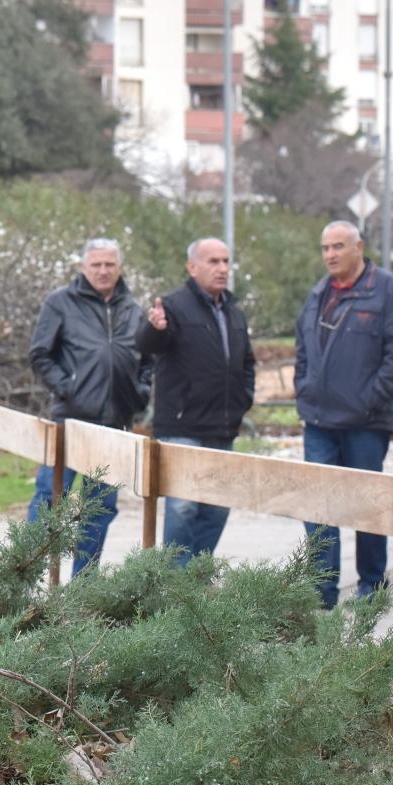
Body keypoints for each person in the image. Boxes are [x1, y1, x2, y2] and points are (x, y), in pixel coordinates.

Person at [294, 220, 393, 608]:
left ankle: (371, 586)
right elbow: (303, 347)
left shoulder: (386, 290)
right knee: (319, 506)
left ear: (359, 247)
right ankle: (322, 592)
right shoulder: (319, 293)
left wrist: (370, 399)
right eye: (325, 247)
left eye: (338, 246)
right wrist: (305, 388)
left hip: (366, 423)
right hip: (319, 422)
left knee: (368, 506)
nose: (330, 254)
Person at [27, 237, 150, 575]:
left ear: (120, 268)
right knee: (50, 499)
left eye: (110, 264)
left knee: (100, 509)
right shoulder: (61, 303)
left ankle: (84, 584)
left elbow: (148, 360)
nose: (103, 270)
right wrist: (68, 388)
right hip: (71, 421)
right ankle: (21, 575)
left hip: (114, 425)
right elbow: (40, 354)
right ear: (83, 267)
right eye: (96, 264)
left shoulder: (132, 309)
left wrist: (142, 391)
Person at [136, 238, 255, 564]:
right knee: (183, 505)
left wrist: (244, 400)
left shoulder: (233, 312)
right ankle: (175, 582)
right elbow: (148, 344)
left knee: (217, 507)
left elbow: (247, 363)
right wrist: (154, 328)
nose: (222, 269)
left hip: (223, 426)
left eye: (226, 261)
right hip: (182, 425)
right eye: (213, 261)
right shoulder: (173, 306)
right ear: (192, 267)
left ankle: (195, 576)